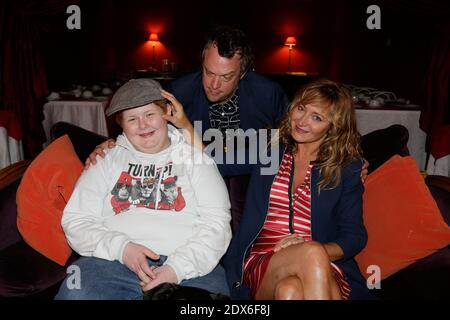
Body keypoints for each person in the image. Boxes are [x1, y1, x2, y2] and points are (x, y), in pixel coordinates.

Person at [88, 26, 290, 232]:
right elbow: (148, 128)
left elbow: (287, 144)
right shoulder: (180, 91)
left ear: (244, 73)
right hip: (196, 175)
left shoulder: (268, 94)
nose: (214, 84)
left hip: (251, 173)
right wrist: (115, 145)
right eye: (209, 72)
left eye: (226, 77)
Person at [55, 78, 232, 300]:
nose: (143, 125)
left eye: (150, 114)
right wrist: (122, 249)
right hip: (111, 263)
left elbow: (217, 224)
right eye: (132, 119)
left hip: (190, 265)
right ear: (121, 124)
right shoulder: (104, 160)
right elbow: (76, 220)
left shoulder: (196, 158)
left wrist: (175, 269)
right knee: (75, 292)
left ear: (167, 112)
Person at [223, 79, 370, 300]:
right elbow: (213, 160)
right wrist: (184, 125)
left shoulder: (346, 169)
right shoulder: (269, 150)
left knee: (289, 292)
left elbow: (355, 236)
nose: (301, 121)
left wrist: (316, 250)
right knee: (310, 254)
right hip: (265, 260)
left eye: (317, 117)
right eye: (301, 108)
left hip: (323, 267)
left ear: (333, 127)